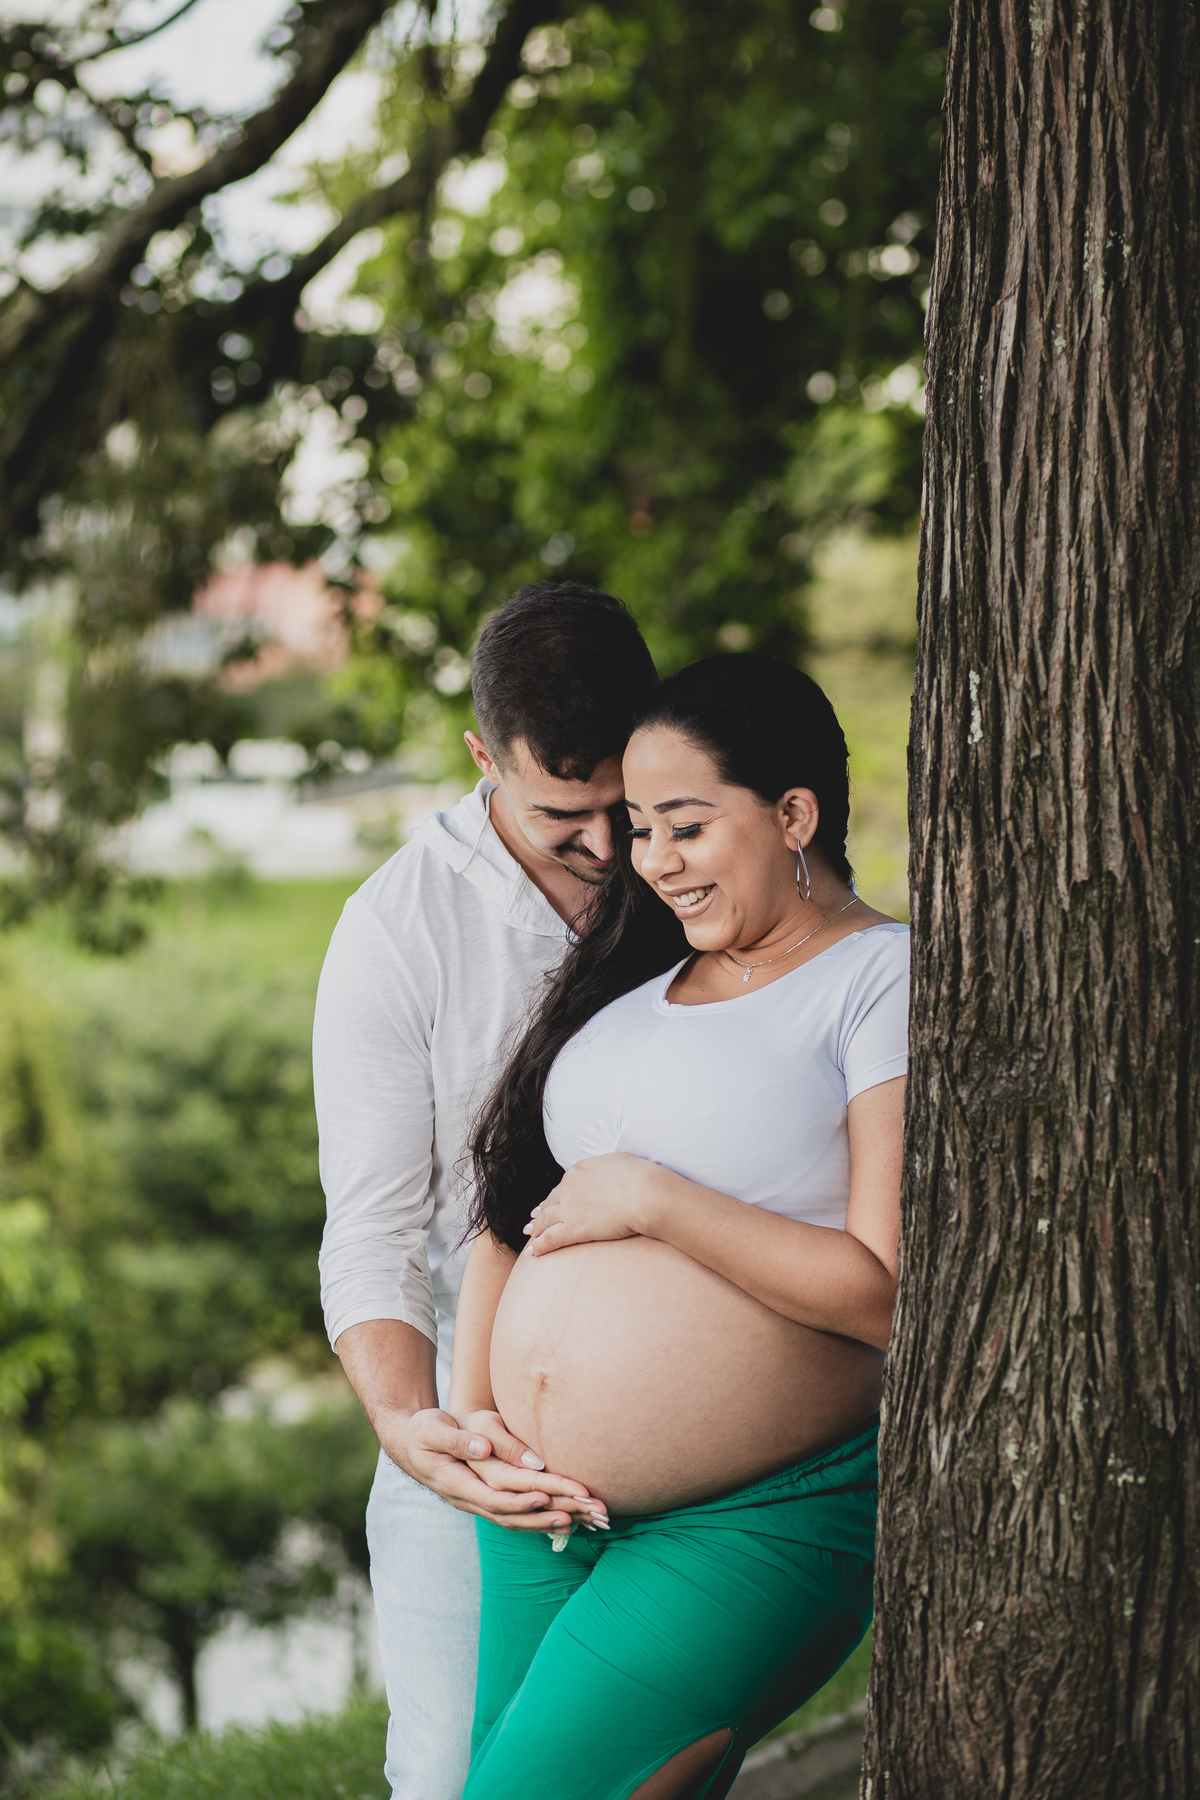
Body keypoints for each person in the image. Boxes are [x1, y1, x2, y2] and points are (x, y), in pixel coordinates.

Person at [450, 652, 909, 1800]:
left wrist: (656, 1198)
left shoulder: (877, 980)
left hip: (751, 1518)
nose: (649, 861)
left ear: (792, 812)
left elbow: (887, 1293)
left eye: (684, 827)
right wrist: (473, 1423)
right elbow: (514, 1211)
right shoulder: (632, 983)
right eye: (639, 827)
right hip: (536, 1514)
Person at [314, 582, 659, 1800]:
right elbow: (369, 1236)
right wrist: (414, 1431)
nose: (615, 851)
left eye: (625, 805)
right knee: (462, 1780)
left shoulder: (704, 855)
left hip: (701, 1434)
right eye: (568, 814)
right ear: (482, 756)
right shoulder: (395, 932)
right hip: (483, 1440)